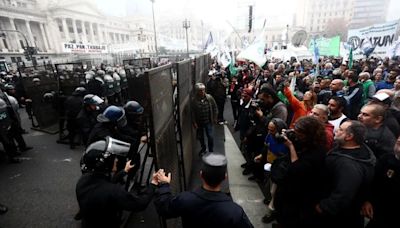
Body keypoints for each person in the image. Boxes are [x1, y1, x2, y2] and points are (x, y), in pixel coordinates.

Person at [153, 153, 254, 228]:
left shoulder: (186, 199)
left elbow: (164, 208)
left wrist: (164, 185)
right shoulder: (235, 211)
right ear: (225, 177)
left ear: (201, 175)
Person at [76, 137, 157, 228]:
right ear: (104, 163)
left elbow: (106, 184)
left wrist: (124, 171)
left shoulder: (83, 181)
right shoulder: (114, 192)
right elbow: (140, 203)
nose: (116, 160)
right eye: (113, 158)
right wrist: (153, 184)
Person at [316, 120, 375, 228]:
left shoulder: (348, 165)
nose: (337, 130)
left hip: (339, 218)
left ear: (349, 137)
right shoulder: (356, 149)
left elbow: (344, 193)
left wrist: (324, 207)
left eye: (341, 130)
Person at [274, 116, 327, 228]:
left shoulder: (318, 152)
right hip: (286, 188)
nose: (296, 135)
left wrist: (291, 146)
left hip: (300, 194)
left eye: (299, 133)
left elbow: (296, 169)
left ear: (309, 134)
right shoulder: (301, 141)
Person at [362, 136, 400, 228]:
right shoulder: (386, 159)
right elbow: (373, 182)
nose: (399, 140)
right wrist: (367, 200)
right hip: (379, 212)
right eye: (399, 137)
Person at [191, 83, 218, 156]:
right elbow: (192, 112)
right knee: (201, 137)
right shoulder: (194, 101)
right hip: (199, 122)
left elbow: (215, 107)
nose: (202, 92)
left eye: (203, 90)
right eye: (200, 90)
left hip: (208, 121)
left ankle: (211, 150)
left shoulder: (209, 98)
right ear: (197, 91)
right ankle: (203, 148)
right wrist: (194, 122)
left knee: (210, 136)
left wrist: (215, 117)